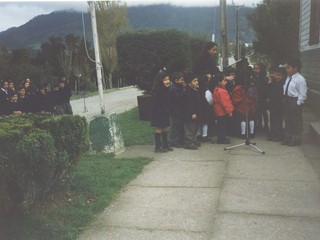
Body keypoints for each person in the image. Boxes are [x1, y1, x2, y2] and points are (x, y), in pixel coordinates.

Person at [281, 58, 307, 146]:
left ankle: (296, 139)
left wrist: (298, 103)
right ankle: (287, 137)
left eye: (288, 68)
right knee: (287, 119)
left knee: (296, 121)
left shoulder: (300, 79)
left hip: (294, 101)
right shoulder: (288, 77)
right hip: (287, 99)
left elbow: (302, 93)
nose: (286, 69)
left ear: (295, 68)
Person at [151, 70, 173, 153]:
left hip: (165, 111)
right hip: (158, 112)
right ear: (160, 81)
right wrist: (159, 113)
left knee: (165, 127)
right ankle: (157, 147)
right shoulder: (157, 90)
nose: (168, 81)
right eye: (165, 80)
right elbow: (156, 104)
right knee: (159, 128)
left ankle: (165, 145)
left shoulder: (166, 89)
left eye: (168, 79)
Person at [213, 73, 234, 144]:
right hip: (222, 111)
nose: (226, 82)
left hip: (218, 111)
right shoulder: (221, 91)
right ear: (219, 82)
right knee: (223, 126)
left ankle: (221, 138)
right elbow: (225, 102)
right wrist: (229, 111)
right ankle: (222, 139)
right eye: (224, 80)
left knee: (220, 126)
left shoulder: (217, 89)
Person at [181, 72, 201, 150]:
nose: (197, 82)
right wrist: (192, 113)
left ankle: (193, 140)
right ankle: (189, 143)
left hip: (196, 113)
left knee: (195, 128)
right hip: (190, 114)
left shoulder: (195, 90)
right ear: (189, 83)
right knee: (190, 128)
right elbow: (189, 104)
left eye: (197, 80)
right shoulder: (188, 92)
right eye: (194, 81)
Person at [267, 66, 286, 141]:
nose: (277, 77)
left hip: (280, 104)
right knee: (272, 119)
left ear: (283, 76)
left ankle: (278, 135)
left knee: (279, 120)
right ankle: (273, 133)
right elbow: (269, 93)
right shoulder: (272, 83)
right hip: (273, 104)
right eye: (276, 75)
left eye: (279, 75)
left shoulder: (284, 84)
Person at [168, 71, 185, 148]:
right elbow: (178, 99)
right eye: (181, 80)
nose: (183, 81)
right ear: (176, 80)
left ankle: (179, 140)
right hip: (175, 112)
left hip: (179, 111)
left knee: (179, 126)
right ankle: (173, 141)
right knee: (175, 127)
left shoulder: (178, 87)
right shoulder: (174, 89)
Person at [252, 63, 270, 133]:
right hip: (256, 97)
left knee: (263, 112)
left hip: (262, 97)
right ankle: (258, 125)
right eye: (254, 68)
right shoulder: (253, 77)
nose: (255, 70)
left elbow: (265, 88)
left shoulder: (264, 78)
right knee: (257, 112)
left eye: (257, 69)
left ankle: (266, 125)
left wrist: (267, 97)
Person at [197, 74, 214, 142]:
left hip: (198, 109)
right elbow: (210, 101)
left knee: (199, 123)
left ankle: (198, 135)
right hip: (205, 109)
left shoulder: (197, 90)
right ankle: (204, 136)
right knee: (205, 123)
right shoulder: (206, 91)